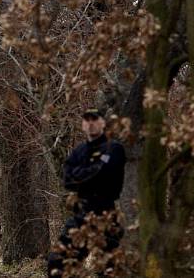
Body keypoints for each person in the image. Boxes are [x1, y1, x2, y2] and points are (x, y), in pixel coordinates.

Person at [47, 108, 126, 277]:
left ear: (103, 123)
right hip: (81, 215)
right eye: (87, 120)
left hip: (106, 215)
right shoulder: (79, 151)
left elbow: (106, 174)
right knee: (57, 262)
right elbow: (67, 179)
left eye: (94, 119)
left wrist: (82, 175)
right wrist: (93, 172)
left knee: (109, 268)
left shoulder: (114, 148)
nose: (90, 124)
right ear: (82, 124)